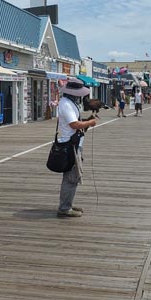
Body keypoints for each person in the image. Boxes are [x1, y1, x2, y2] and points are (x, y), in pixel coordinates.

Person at [56, 78, 97, 217]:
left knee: (73, 176)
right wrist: (90, 122)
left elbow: (75, 122)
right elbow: (74, 124)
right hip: (70, 145)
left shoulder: (69, 102)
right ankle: (64, 208)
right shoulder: (66, 104)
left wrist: (85, 121)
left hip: (74, 144)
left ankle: (68, 204)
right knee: (71, 177)